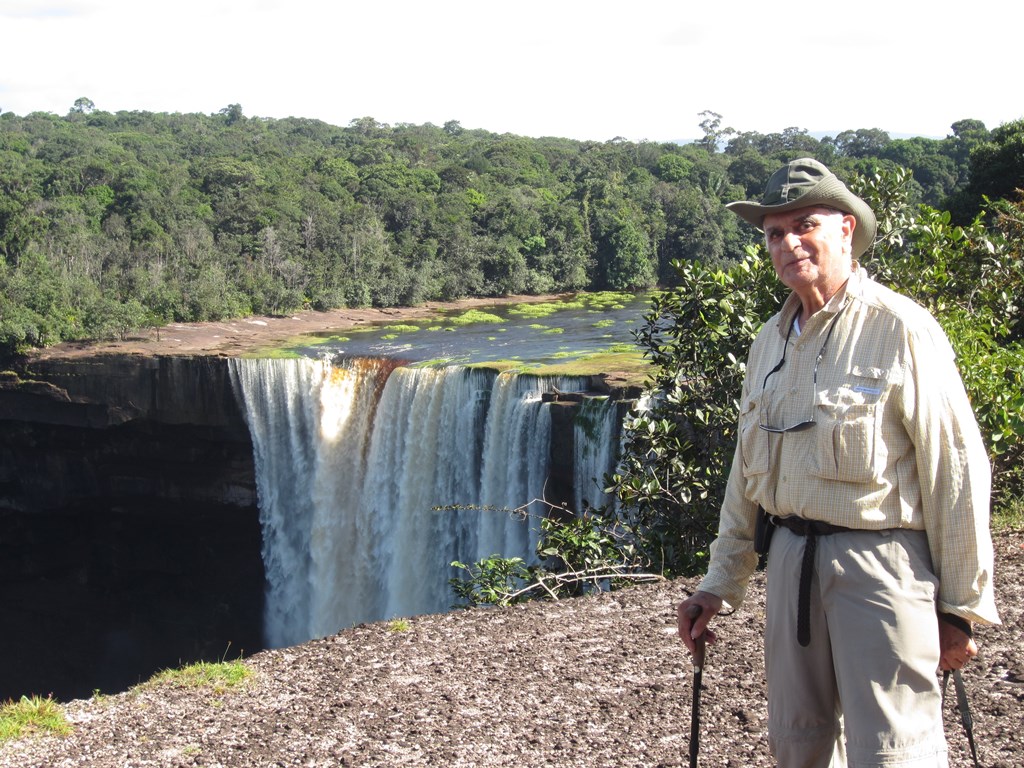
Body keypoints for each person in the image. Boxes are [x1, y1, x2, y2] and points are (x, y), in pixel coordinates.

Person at [676, 158, 1000, 767]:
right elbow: (748, 472)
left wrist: (959, 609)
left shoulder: (900, 327)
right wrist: (718, 586)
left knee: (894, 750)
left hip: (882, 567)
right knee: (797, 746)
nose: (789, 242)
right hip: (791, 561)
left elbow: (954, 467)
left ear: (846, 229)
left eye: (806, 224)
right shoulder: (769, 340)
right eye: (775, 232)